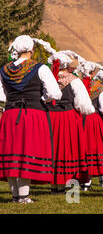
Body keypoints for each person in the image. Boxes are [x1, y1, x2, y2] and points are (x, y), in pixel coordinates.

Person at [0, 35, 62, 203]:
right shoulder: (40, 68)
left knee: (12, 155)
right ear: (31, 50)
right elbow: (55, 93)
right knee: (26, 153)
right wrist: (43, 98)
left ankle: (15, 196)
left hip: (10, 114)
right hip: (32, 114)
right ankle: (23, 197)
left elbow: (1, 96)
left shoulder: (4, 70)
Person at [45, 50, 95, 194]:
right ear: (66, 65)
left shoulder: (47, 79)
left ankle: (54, 184)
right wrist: (89, 111)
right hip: (67, 118)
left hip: (49, 118)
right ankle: (62, 184)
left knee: (52, 150)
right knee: (65, 150)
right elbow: (83, 104)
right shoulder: (74, 81)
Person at [78, 61, 103, 191]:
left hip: (78, 119)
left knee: (81, 149)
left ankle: (83, 181)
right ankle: (97, 180)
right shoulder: (99, 87)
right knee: (93, 148)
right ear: (93, 72)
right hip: (93, 120)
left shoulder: (75, 83)